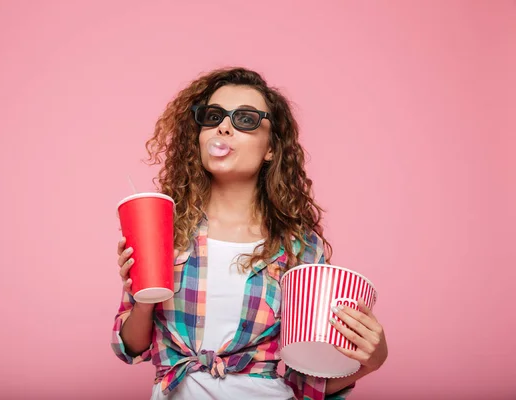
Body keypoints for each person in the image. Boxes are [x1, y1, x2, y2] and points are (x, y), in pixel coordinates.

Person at [111, 67, 388, 399]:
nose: (223, 127)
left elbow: (305, 382)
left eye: (245, 119)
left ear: (271, 148)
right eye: (213, 117)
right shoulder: (163, 229)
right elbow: (130, 347)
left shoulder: (299, 247)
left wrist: (371, 362)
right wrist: (142, 301)